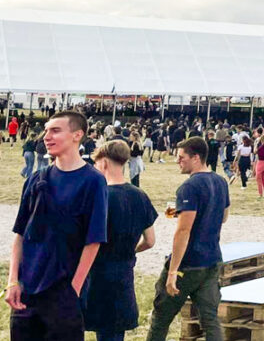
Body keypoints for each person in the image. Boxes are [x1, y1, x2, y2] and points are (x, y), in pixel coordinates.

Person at [7, 111, 108, 340]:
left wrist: (75, 289)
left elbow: (94, 240)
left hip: (63, 291)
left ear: (77, 135)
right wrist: (13, 280)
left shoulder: (93, 181)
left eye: (55, 130)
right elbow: (20, 234)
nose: (46, 136)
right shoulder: (36, 179)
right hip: (27, 291)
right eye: (46, 131)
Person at [147, 137, 230, 341]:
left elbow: (183, 231)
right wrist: (187, 212)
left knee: (161, 318)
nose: (178, 161)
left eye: (181, 157)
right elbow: (224, 217)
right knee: (210, 320)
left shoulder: (189, 187)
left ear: (196, 158)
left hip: (188, 264)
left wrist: (173, 271)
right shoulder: (220, 181)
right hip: (211, 261)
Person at [86, 141, 158, 341]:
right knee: (115, 332)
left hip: (97, 272)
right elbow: (150, 241)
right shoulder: (140, 196)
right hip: (124, 271)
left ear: (105, 163)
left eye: (97, 163)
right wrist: (130, 250)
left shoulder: (100, 197)